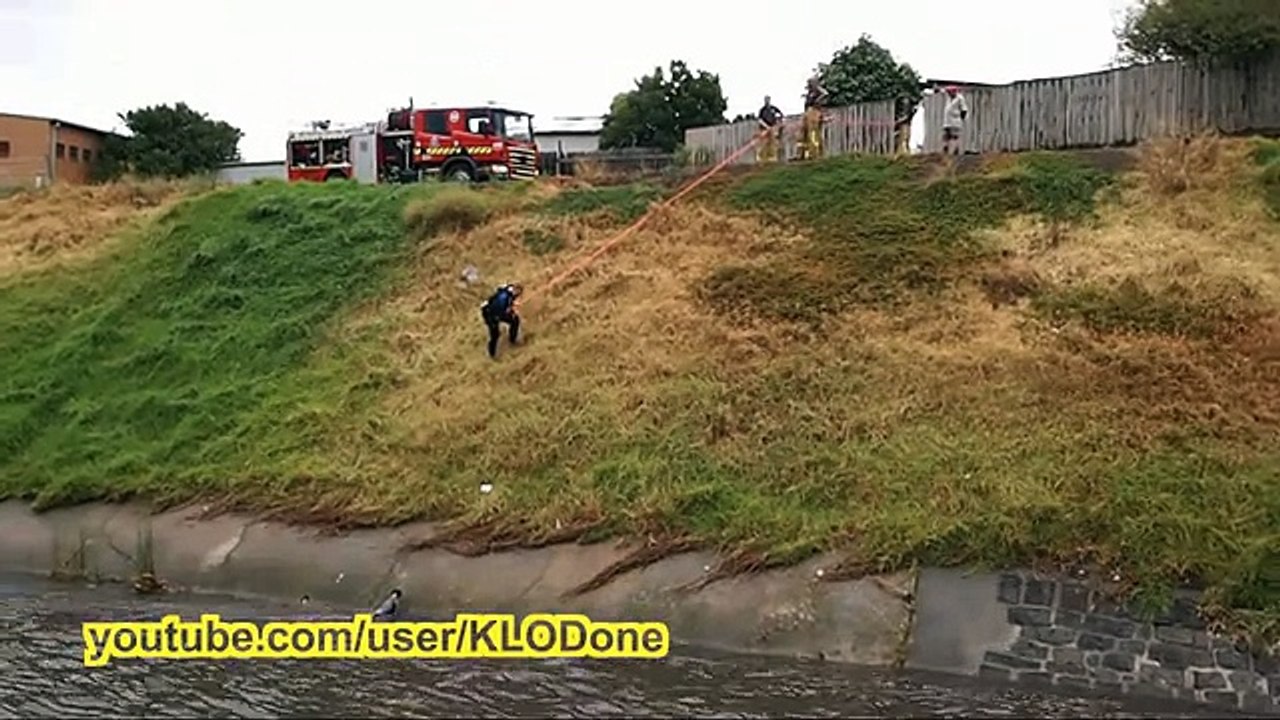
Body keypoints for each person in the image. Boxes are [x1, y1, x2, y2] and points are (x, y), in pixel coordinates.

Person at [480, 282, 523, 359]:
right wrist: (510, 311)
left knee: (515, 320)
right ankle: (492, 354)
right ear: (515, 290)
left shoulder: (508, 290)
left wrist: (511, 308)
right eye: (518, 294)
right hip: (490, 314)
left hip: (498, 310)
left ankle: (512, 340)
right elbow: (500, 310)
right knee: (495, 334)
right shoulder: (503, 297)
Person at [799, 75, 829, 160]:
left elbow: (825, 93)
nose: (809, 85)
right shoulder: (809, 93)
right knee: (803, 133)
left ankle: (815, 154)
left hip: (814, 112)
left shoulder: (817, 91)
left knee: (813, 133)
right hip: (808, 112)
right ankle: (803, 154)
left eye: (810, 83)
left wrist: (818, 100)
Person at [941, 85, 969, 156]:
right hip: (947, 121)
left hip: (955, 121)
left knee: (954, 137)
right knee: (946, 136)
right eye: (948, 92)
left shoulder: (959, 98)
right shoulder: (949, 99)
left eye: (950, 92)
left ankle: (954, 152)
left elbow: (964, 110)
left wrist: (961, 118)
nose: (949, 94)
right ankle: (946, 150)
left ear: (954, 92)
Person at [756, 95, 785, 163]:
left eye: (768, 100)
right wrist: (766, 127)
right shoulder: (762, 110)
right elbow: (760, 120)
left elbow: (781, 115)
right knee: (764, 144)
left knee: (773, 143)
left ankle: (773, 158)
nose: (767, 101)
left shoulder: (774, 108)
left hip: (773, 128)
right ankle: (762, 159)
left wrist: (780, 123)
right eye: (766, 100)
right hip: (764, 129)